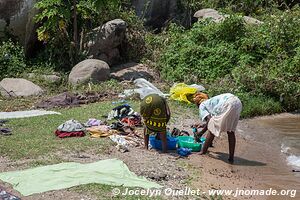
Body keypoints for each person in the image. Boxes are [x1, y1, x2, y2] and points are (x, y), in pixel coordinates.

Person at [193, 92, 242, 163]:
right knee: (230, 131)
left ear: (198, 104)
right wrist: (203, 127)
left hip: (228, 103)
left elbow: (210, 122)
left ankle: (203, 151)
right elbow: (212, 120)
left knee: (213, 127)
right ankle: (231, 158)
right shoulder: (211, 102)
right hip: (237, 103)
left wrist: (200, 133)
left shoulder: (202, 105)